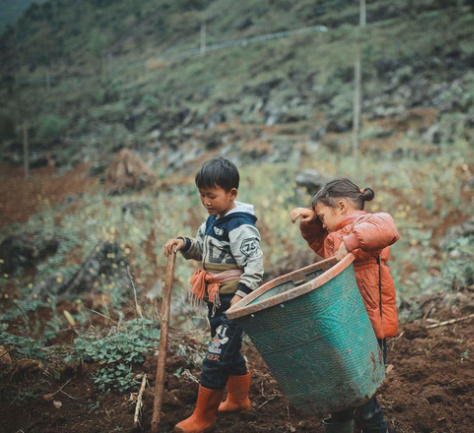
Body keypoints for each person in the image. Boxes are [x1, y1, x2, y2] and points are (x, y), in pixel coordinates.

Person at [289, 177, 400, 433]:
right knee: (341, 394)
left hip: (367, 328)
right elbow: (322, 244)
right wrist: (311, 223)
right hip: (344, 325)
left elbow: (387, 229)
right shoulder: (334, 235)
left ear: (340, 206)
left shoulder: (368, 223)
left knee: (363, 398)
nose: (322, 221)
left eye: (322, 215)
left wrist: (349, 243)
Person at [164, 157, 264, 433]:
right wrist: (184, 243)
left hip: (234, 304)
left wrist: (242, 297)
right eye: (202, 195)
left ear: (232, 194)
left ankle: (203, 417)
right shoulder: (212, 220)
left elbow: (255, 264)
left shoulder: (240, 225)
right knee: (229, 351)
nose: (206, 201)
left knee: (216, 357)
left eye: (212, 195)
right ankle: (238, 400)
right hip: (216, 302)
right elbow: (202, 251)